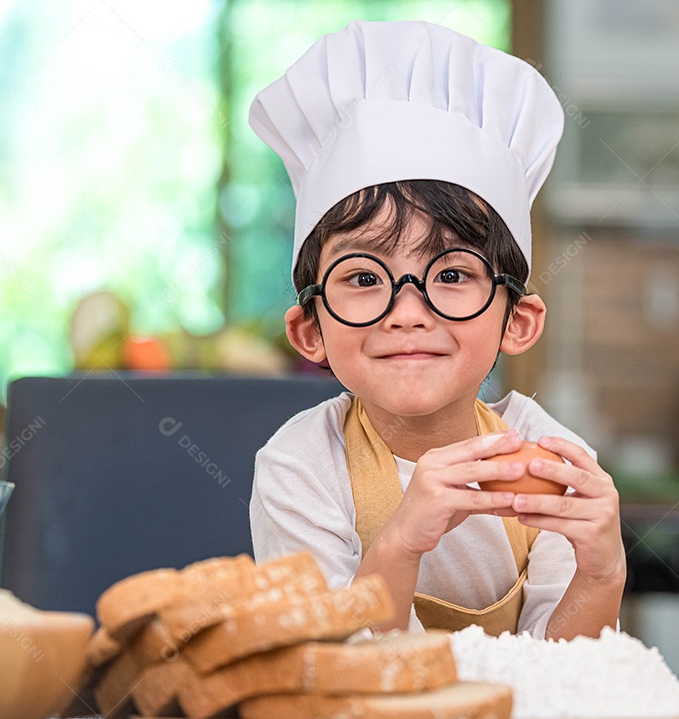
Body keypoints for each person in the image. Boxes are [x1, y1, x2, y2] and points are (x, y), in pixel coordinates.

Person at [248, 20, 625, 640]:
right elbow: (330, 668)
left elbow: (563, 678)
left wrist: (602, 575)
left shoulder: (553, 456)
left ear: (518, 320)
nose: (408, 311)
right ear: (310, 329)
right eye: (365, 279)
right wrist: (399, 544)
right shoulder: (301, 467)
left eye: (451, 273)